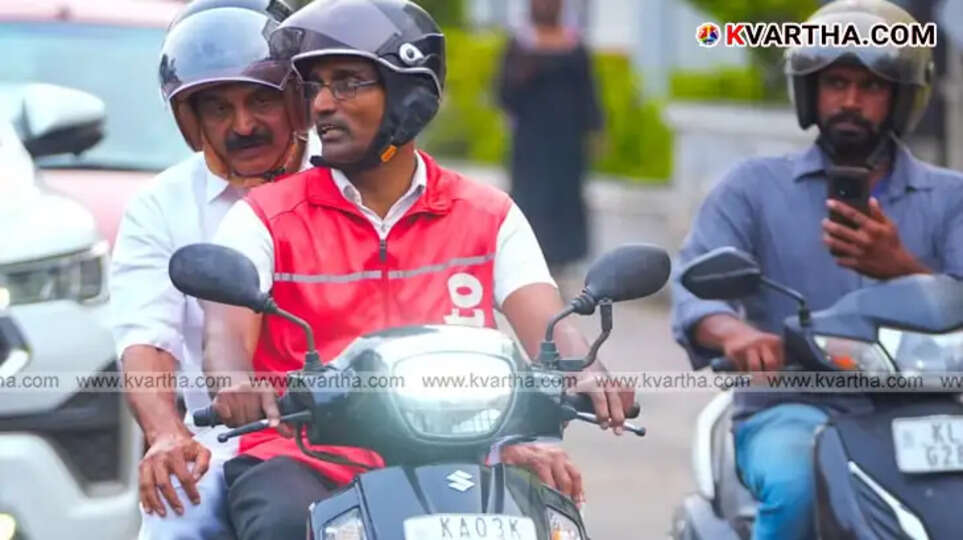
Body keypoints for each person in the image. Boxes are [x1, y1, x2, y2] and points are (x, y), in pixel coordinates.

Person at [201, 1, 634, 538]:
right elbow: (225, 331)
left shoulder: (488, 214)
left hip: (457, 456)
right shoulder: (266, 217)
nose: (323, 105)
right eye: (314, 88)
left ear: (407, 94)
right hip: (304, 457)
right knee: (286, 524)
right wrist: (234, 380)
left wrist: (584, 369)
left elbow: (549, 321)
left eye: (347, 83)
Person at [670, 1, 963, 539]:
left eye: (870, 86)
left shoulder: (951, 199)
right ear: (810, 92)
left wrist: (900, 268)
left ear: (901, 98)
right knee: (800, 484)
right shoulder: (753, 188)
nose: (850, 101)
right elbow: (693, 290)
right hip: (794, 406)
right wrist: (735, 334)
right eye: (835, 83)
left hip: (930, 411)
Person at [109, 1, 316, 538]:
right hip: (226, 445)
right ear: (191, 120)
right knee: (177, 509)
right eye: (219, 109)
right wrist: (166, 435)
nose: (243, 124)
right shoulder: (161, 205)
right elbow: (147, 337)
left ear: (297, 100)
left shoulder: (347, 178)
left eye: (261, 100)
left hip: (368, 436)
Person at [496, 0, 604, 274]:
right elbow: (505, 94)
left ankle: (559, 265)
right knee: (531, 198)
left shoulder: (575, 47)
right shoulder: (519, 45)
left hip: (567, 143)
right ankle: (526, 264)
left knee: (564, 202)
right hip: (531, 143)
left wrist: (596, 130)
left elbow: (588, 94)